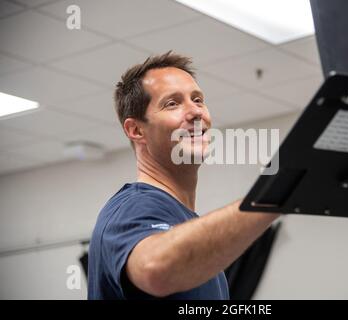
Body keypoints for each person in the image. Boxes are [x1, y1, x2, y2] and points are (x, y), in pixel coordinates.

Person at [87, 51, 280, 299]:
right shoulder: (133, 207)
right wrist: (271, 197)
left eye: (198, 100)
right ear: (136, 129)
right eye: (172, 103)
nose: (195, 112)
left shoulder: (188, 233)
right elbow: (155, 270)